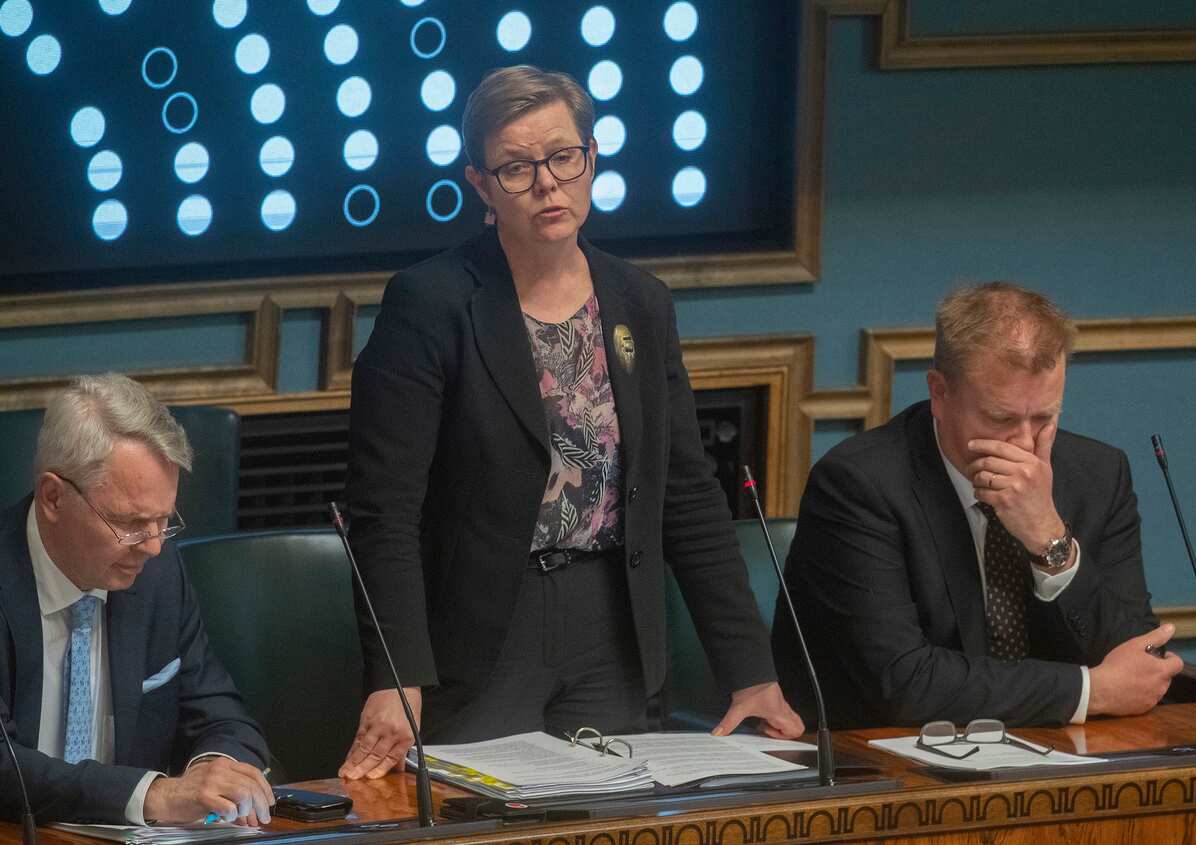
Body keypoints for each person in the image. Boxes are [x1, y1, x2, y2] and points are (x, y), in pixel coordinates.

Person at [340, 65, 802, 778]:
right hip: (483, 630)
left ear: (592, 158)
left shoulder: (639, 301)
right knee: (482, 823)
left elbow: (686, 493)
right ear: (482, 187)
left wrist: (751, 669)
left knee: (613, 815)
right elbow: (385, 511)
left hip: (612, 622)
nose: (547, 184)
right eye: (517, 168)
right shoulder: (429, 304)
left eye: (563, 157)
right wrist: (396, 673)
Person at [774, 283, 1183, 728]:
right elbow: (905, 684)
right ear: (939, 393)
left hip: (1057, 752)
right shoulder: (859, 484)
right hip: (884, 763)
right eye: (1001, 419)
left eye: (1045, 417)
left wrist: (1049, 539)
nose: (1025, 444)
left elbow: (1138, 655)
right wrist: (1090, 690)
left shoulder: (1099, 474)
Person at [0, 374, 273, 825]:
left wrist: (214, 771)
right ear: (53, 497)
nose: (152, 545)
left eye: (164, 520)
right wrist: (149, 796)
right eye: (130, 523)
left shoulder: (157, 574)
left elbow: (221, 715)